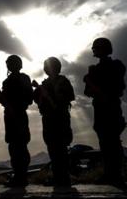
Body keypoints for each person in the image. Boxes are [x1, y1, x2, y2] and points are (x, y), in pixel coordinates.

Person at [83, 37, 127, 186]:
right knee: (105, 142)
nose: (94, 50)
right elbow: (88, 91)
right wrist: (91, 84)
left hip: (111, 106)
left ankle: (116, 175)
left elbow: (117, 87)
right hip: (101, 108)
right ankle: (110, 174)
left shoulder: (115, 66)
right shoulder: (93, 70)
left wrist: (94, 84)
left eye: (97, 47)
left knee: (113, 141)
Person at [33, 57, 75, 186]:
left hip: (60, 117)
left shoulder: (63, 81)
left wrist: (49, 95)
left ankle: (64, 177)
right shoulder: (44, 84)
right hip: (48, 118)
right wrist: (39, 91)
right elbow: (37, 101)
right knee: (52, 147)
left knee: (61, 147)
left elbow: (67, 98)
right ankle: (58, 176)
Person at [0, 55, 34, 187]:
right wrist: (2, 99)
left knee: (21, 145)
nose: (8, 66)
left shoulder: (23, 78)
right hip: (10, 116)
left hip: (19, 114)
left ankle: (22, 177)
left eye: (10, 63)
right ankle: (18, 175)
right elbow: (4, 99)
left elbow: (29, 98)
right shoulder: (7, 81)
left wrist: (15, 103)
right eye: (8, 63)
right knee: (13, 146)